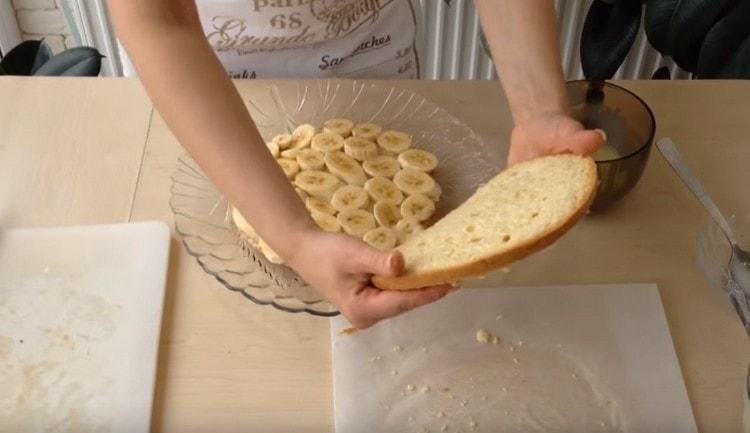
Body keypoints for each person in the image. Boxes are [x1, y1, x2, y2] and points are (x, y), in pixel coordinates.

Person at [108, 0, 604, 329]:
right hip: (207, 88)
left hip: (374, 55)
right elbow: (158, 19)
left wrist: (538, 108)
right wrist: (296, 238)